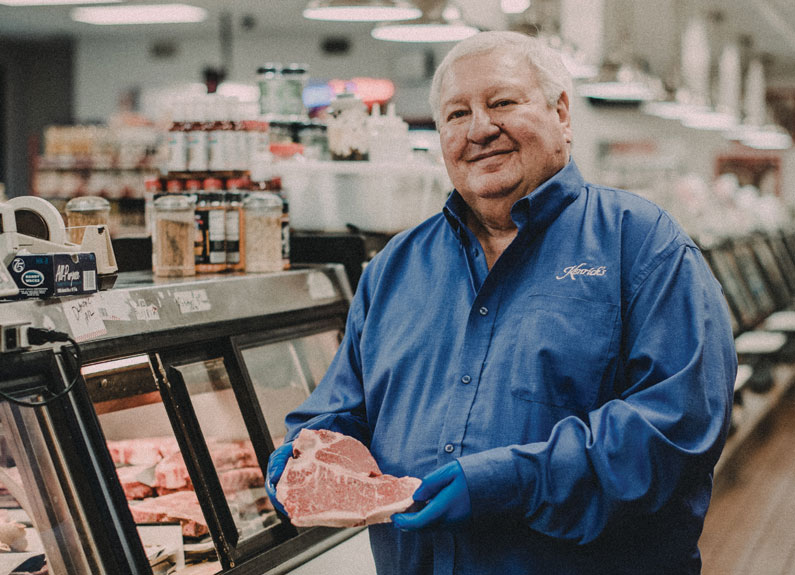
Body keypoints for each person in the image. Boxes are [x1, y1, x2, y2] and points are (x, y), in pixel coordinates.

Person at [266, 30, 737, 575]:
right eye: (456, 114)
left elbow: (676, 429)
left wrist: (510, 482)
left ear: (562, 113)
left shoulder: (644, 245)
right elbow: (339, 409)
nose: (480, 129)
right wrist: (306, 454)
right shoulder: (395, 267)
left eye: (502, 103)